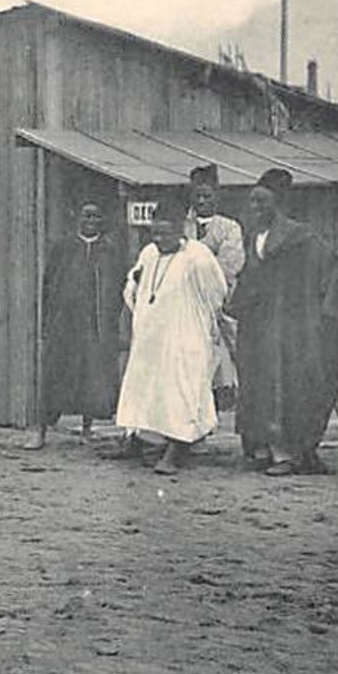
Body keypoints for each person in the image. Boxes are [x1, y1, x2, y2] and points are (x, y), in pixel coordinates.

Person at [226, 169, 338, 476]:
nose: (255, 208)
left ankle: (288, 454)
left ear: (279, 203)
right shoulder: (254, 238)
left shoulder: (304, 238)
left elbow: (331, 273)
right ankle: (262, 448)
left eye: (262, 201)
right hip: (258, 326)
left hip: (293, 326)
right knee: (257, 384)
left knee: (288, 385)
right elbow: (250, 280)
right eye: (252, 202)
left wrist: (326, 316)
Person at [113, 197, 229, 475]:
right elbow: (132, 286)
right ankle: (138, 440)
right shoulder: (149, 253)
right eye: (155, 233)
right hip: (151, 337)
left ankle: (177, 449)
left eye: (166, 233)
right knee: (145, 388)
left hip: (184, 334)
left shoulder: (197, 256)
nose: (159, 239)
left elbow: (216, 293)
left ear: (181, 230)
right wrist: (136, 284)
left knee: (181, 390)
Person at [26, 201, 125, 449]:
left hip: (95, 326)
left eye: (96, 216)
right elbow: (48, 285)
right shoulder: (63, 248)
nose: (91, 221)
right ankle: (40, 431)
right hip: (64, 325)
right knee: (54, 377)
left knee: (91, 379)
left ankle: (87, 428)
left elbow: (118, 290)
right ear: (78, 218)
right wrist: (47, 323)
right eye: (86, 216)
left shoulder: (109, 251)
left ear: (102, 221)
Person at [186, 165, 245, 407]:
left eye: (207, 196)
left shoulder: (229, 227)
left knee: (221, 353)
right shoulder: (182, 226)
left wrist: (201, 272)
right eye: (197, 196)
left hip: (218, 300)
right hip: (186, 301)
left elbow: (229, 264)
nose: (201, 201)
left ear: (216, 197)